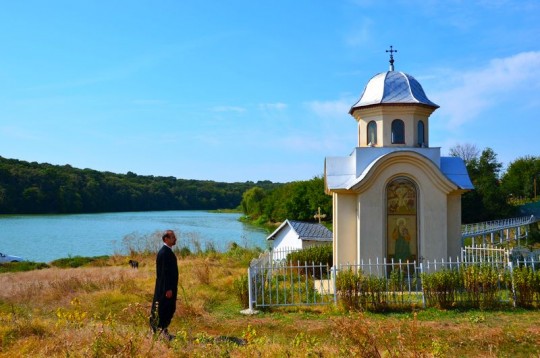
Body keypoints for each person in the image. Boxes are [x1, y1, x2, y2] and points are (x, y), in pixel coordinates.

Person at [150, 230, 179, 340]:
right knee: (163, 308)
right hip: (165, 289)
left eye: (174, 237)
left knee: (168, 308)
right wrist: (168, 289)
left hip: (169, 288)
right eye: (172, 237)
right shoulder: (164, 253)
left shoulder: (167, 251)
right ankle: (159, 331)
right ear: (166, 239)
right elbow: (163, 273)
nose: (175, 239)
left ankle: (162, 330)